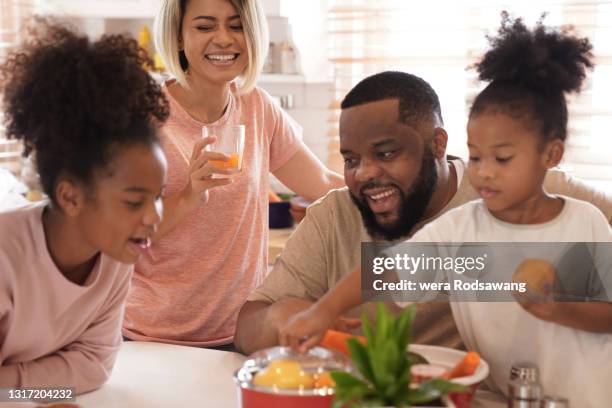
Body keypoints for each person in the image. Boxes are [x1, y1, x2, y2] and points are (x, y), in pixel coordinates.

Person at [278, 14, 612, 407]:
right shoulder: (461, 228)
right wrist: (322, 311)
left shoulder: (580, 222)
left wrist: (560, 309)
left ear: (550, 154)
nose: (484, 172)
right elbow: (384, 271)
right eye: (475, 156)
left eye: (502, 158)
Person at [234, 66, 612, 355]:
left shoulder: (534, 194)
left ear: (437, 145)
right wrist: (298, 316)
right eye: (351, 159)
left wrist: (564, 310)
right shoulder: (335, 217)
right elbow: (388, 269)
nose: (364, 173)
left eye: (386, 153)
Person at [122, 0, 344, 347]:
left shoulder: (257, 106)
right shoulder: (143, 118)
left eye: (236, 26)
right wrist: (188, 196)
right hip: (152, 336)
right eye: (205, 26)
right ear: (179, 37)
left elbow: (324, 185)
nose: (224, 39)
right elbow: (121, 235)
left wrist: (402, 196)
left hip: (239, 333)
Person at [0, 21, 169, 393]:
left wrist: (22, 392)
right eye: (134, 201)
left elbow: (92, 367)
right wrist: (36, 391)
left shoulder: (115, 255)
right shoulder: (5, 257)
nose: (155, 216)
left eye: (158, 196)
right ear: (70, 196)